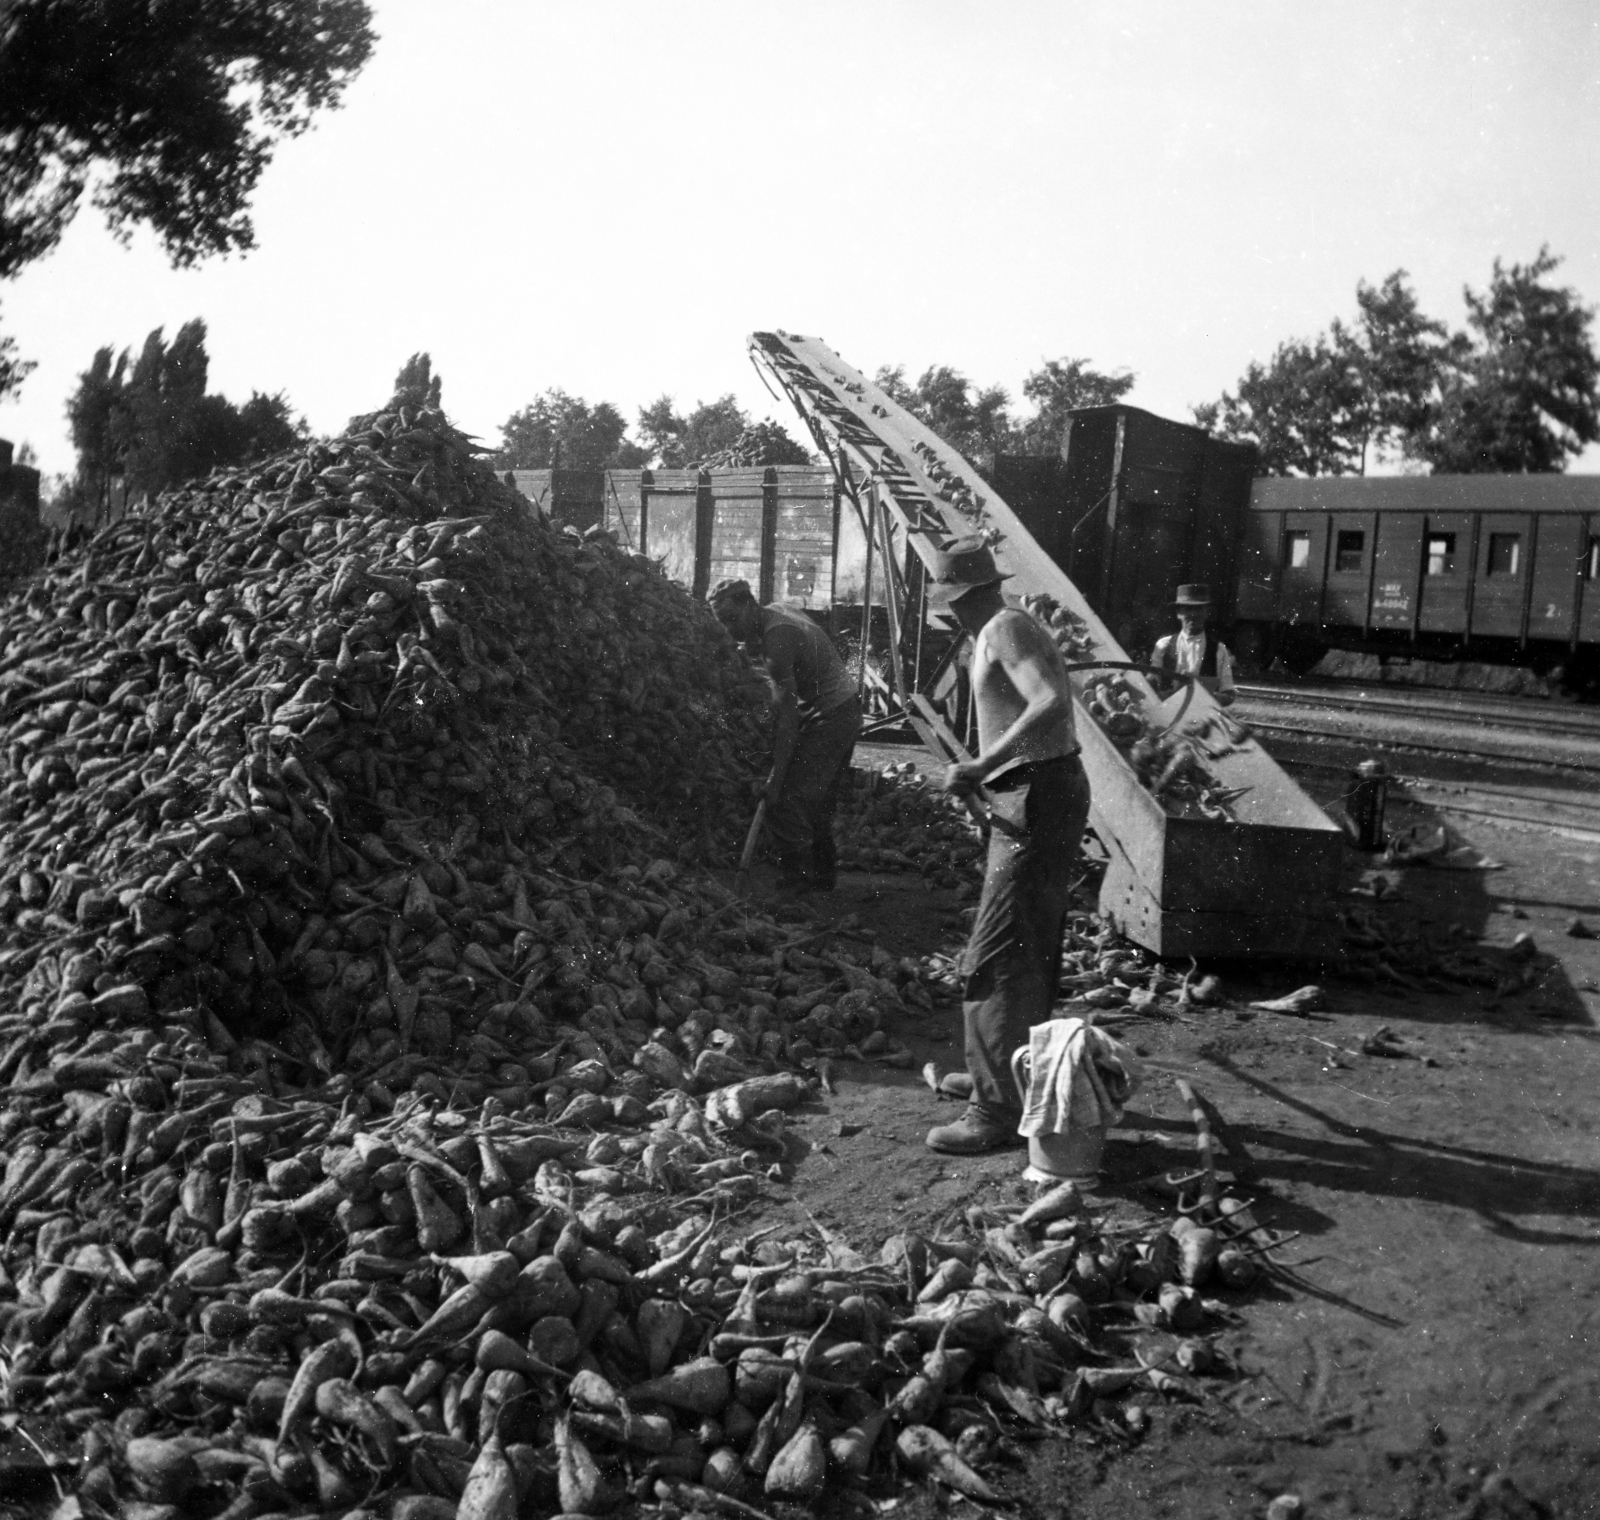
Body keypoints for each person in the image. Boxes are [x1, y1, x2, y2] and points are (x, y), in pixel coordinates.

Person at [922, 538, 1091, 1155]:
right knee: (1028, 942)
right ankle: (1008, 1074)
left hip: (1036, 793)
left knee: (994, 950)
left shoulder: (1003, 629)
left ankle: (993, 1109)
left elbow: (1049, 700)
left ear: (965, 596)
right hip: (1040, 791)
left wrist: (981, 764)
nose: (949, 613)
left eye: (950, 602)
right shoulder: (1006, 626)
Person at [707, 579, 862, 894]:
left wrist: (776, 777)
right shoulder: (778, 611)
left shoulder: (776, 642)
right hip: (845, 706)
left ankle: (797, 883)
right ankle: (822, 876)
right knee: (817, 799)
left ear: (750, 604)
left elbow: (788, 718)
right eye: (723, 623)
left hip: (832, 716)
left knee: (785, 799)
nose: (730, 630)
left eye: (733, 619)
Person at [1150, 583, 1236, 706]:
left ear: (1207, 612)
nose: (1193, 615)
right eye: (1188, 609)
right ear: (1178, 613)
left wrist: (1209, 698)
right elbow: (1151, 682)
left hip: (1201, 715)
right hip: (1168, 713)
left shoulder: (1219, 650)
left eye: (1199, 609)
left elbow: (1229, 694)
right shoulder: (1163, 645)